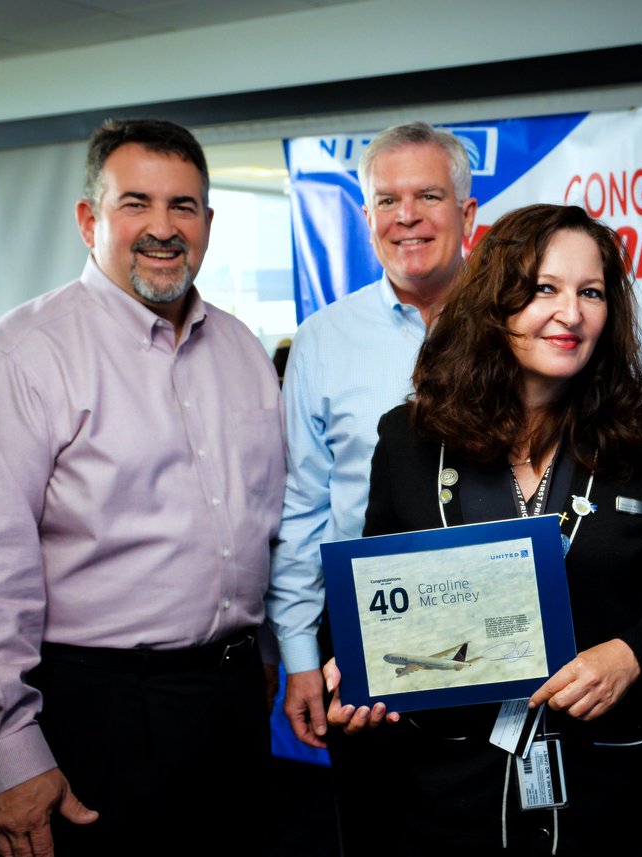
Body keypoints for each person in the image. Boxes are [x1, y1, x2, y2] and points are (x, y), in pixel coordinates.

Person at [0, 118, 285, 857]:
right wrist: (6, 758)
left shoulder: (243, 351)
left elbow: (260, 529)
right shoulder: (19, 359)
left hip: (231, 700)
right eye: (135, 203)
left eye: (183, 207)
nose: (162, 228)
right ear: (89, 219)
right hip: (95, 706)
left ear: (208, 222)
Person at [325, 204, 642, 854]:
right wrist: (353, 668)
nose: (571, 313)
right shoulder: (411, 438)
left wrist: (631, 652)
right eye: (543, 289)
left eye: (591, 292)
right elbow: (373, 592)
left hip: (602, 782)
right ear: (496, 300)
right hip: (445, 788)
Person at [265, 122, 476, 848]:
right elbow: (303, 506)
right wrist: (297, 652)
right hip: (361, 626)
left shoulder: (519, 323)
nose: (407, 216)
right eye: (388, 199)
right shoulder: (323, 338)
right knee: (377, 830)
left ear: (468, 213)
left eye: (428, 196)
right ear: (365, 218)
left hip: (491, 617)